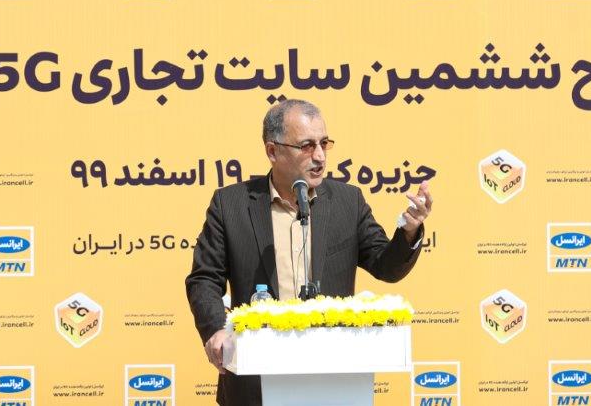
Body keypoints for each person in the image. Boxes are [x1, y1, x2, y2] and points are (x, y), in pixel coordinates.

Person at [185, 99, 433, 405]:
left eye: (324, 144)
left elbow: (387, 267)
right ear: (273, 151)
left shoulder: (348, 201)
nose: (319, 156)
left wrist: (409, 232)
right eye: (306, 146)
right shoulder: (231, 204)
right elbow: (204, 278)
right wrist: (215, 330)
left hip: (334, 380)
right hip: (255, 382)